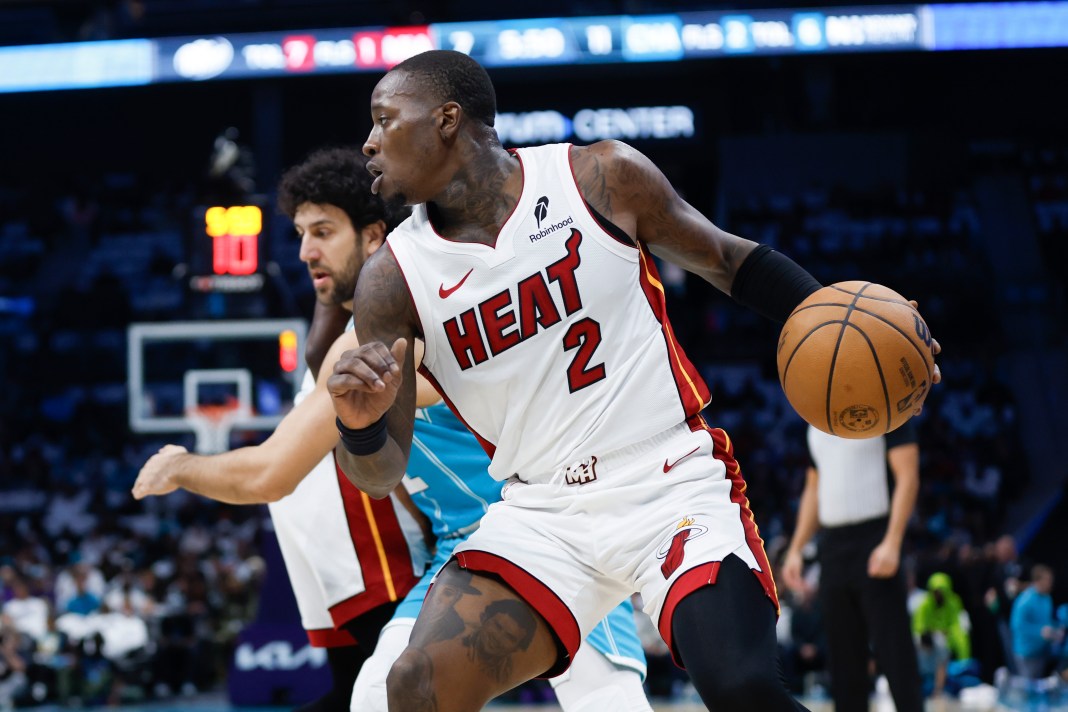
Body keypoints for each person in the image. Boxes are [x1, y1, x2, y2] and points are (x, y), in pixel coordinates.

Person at [326, 49, 940, 711]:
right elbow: (379, 475)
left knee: (742, 687)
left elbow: (731, 262)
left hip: (666, 479)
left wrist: (861, 334)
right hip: (542, 511)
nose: (369, 142)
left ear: (447, 119)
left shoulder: (598, 178)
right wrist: (358, 428)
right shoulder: (390, 282)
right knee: (413, 684)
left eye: (384, 119)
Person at [133, 147, 651, 712]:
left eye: (323, 232)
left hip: (553, 530)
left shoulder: (413, 322)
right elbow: (326, 337)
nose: (305, 251)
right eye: (302, 233)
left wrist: (180, 465)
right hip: (460, 551)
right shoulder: (354, 332)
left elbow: (267, 473)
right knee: (375, 697)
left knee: (608, 700)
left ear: (377, 235)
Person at [783, 421, 926, 712]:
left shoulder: (885, 408)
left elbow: (908, 477)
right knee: (843, 660)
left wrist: (893, 541)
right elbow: (814, 488)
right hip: (832, 546)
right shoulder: (816, 420)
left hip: (875, 537)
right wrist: (796, 548)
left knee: (895, 651)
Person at [912, 572, 972, 697]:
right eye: (936, 591)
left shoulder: (953, 602)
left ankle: (938, 690)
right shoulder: (924, 604)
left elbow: (958, 626)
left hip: (945, 642)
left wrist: (964, 655)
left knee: (942, 647)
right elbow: (919, 627)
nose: (938, 594)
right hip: (926, 643)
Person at [1010, 564, 1059, 679]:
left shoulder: (1047, 598)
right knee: (1029, 688)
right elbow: (1017, 626)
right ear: (1037, 581)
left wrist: (1055, 630)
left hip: (1041, 651)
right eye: (1047, 580)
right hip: (1026, 652)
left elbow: (1045, 622)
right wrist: (1039, 632)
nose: (1050, 583)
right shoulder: (1025, 601)